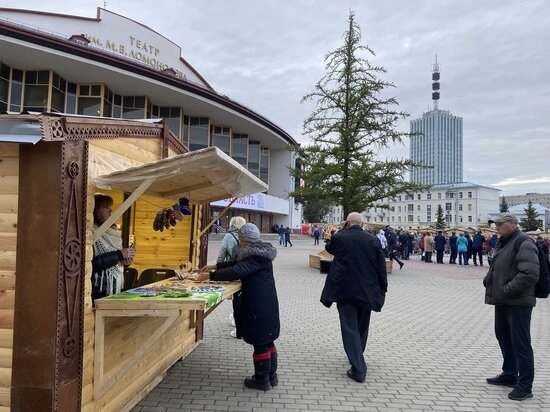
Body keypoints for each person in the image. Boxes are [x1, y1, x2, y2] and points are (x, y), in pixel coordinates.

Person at [199, 223, 280, 391]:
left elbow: (236, 270)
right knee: (267, 340)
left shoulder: (255, 257)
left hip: (258, 306)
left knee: (260, 342)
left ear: (244, 242)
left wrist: (210, 275)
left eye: (241, 240)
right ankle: (271, 376)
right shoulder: (260, 253)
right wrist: (216, 266)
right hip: (266, 304)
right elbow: (236, 262)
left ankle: (261, 380)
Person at [320, 212, 387, 383]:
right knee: (362, 327)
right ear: (362, 224)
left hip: (345, 290)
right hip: (368, 291)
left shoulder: (341, 238)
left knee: (349, 329)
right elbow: (381, 266)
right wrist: (383, 288)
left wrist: (341, 231)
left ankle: (358, 369)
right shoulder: (373, 240)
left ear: (347, 223)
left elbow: (329, 248)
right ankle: (357, 356)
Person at [483, 213, 539, 401]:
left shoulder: (523, 242)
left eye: (501, 224)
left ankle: (525, 385)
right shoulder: (504, 241)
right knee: (504, 337)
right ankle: (509, 374)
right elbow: (498, 266)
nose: (497, 227)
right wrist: (488, 280)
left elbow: (529, 273)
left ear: (513, 224)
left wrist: (507, 289)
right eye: (495, 224)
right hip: (504, 300)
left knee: (521, 343)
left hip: (518, 302)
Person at [92, 194, 135, 300]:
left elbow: (114, 263)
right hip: (97, 290)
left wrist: (125, 262)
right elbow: (90, 265)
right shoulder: (91, 233)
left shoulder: (113, 232)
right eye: (106, 207)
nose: (110, 211)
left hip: (113, 288)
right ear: (95, 209)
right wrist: (119, 254)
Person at [217, 216, 247, 338]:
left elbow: (221, 255)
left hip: (233, 272)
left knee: (236, 297)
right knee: (244, 297)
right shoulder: (246, 236)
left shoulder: (229, 236)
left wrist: (217, 271)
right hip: (246, 271)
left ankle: (237, 322)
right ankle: (240, 320)